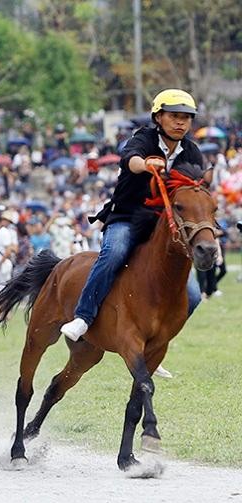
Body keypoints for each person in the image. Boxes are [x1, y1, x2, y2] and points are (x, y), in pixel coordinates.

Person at [60, 89, 208, 379]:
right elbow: (130, 160)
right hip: (126, 218)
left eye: (186, 118)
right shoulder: (143, 138)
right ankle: (83, 317)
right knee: (114, 252)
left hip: (161, 228)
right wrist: (147, 164)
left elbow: (194, 189)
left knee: (193, 295)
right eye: (174, 116)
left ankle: (156, 348)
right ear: (158, 117)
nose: (180, 123)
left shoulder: (191, 151)